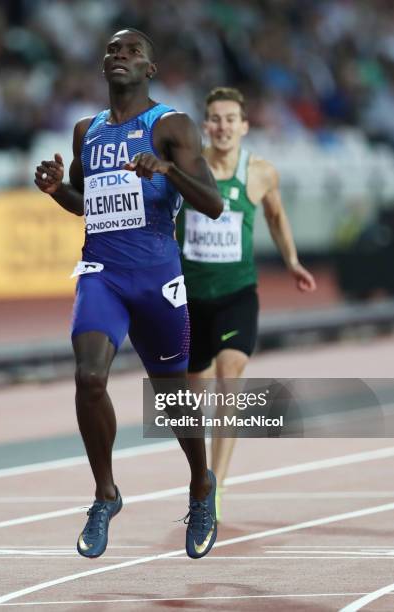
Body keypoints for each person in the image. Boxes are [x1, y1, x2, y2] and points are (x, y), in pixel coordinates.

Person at [34, 29, 223, 559]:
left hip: (156, 277)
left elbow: (212, 204)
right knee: (89, 377)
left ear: (150, 70)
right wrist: (56, 191)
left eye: (133, 51)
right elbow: (84, 202)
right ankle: (105, 494)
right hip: (103, 273)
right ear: (103, 66)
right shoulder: (85, 131)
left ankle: (201, 485)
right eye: (114, 50)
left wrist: (167, 169)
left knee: (171, 396)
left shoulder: (171, 126)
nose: (121, 56)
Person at [176, 87, 317, 519]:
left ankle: (214, 486)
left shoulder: (260, 173)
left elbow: (275, 215)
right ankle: (199, 476)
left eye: (230, 119)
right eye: (215, 119)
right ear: (205, 125)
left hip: (238, 294)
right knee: (189, 398)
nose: (222, 127)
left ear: (244, 126)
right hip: (189, 297)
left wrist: (292, 260)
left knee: (229, 373)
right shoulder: (184, 168)